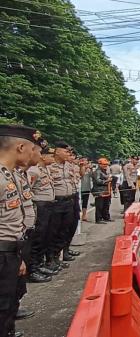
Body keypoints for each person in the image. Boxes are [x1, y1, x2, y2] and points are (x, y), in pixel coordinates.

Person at [0, 125, 38, 337]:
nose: (35, 155)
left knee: (6, 309)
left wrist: (17, 256)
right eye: (33, 149)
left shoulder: (11, 175)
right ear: (21, 147)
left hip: (10, 252)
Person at [28, 146, 59, 282]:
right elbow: (27, 190)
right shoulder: (33, 171)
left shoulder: (45, 169)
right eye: (50, 156)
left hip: (48, 205)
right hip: (40, 206)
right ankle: (33, 268)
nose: (53, 158)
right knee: (38, 238)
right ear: (43, 156)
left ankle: (40, 264)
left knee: (46, 236)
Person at [48, 141, 76, 268]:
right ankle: (49, 259)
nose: (68, 154)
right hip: (56, 202)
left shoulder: (69, 166)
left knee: (64, 230)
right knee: (53, 231)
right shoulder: (49, 165)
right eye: (66, 151)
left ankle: (56, 256)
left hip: (69, 201)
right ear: (57, 151)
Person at [92, 158, 112, 224]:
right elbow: (97, 181)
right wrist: (107, 181)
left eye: (106, 164)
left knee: (106, 205)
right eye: (104, 164)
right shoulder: (97, 171)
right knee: (99, 206)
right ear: (99, 164)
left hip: (105, 190)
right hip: (99, 191)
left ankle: (106, 217)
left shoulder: (104, 171)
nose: (105, 166)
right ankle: (98, 219)